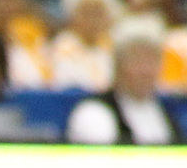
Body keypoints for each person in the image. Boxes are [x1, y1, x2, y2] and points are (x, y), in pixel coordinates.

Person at [65, 15, 177, 145]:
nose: (146, 71)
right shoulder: (94, 112)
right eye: (137, 60)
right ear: (117, 65)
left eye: (152, 60)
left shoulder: (166, 116)